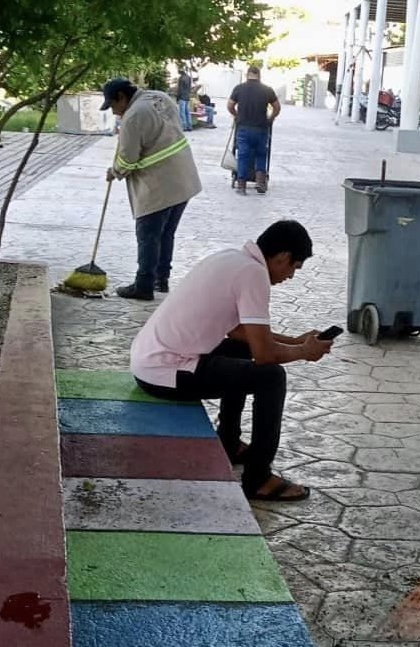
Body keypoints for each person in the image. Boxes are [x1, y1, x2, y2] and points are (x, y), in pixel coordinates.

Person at [130, 220, 333, 501]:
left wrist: (297, 341)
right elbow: (264, 354)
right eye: (293, 268)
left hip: (149, 362)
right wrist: (304, 352)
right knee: (272, 377)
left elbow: (240, 332)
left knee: (239, 348)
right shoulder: (254, 275)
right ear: (283, 257)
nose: (290, 276)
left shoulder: (232, 259)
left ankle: (228, 441)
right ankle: (258, 478)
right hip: (166, 371)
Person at [101, 78, 202, 299]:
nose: (115, 112)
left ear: (122, 97)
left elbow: (128, 159)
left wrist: (115, 171)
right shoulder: (160, 97)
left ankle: (144, 285)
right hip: (183, 178)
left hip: (158, 185)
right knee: (166, 234)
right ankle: (160, 280)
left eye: (113, 106)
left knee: (148, 235)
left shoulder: (133, 116)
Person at [227, 66, 281, 195]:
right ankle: (260, 182)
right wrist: (271, 118)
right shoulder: (267, 90)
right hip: (261, 128)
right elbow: (277, 107)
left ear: (247, 75)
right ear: (259, 75)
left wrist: (236, 115)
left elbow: (230, 105)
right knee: (261, 154)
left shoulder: (239, 88)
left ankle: (241, 186)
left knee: (243, 156)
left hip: (243, 128)